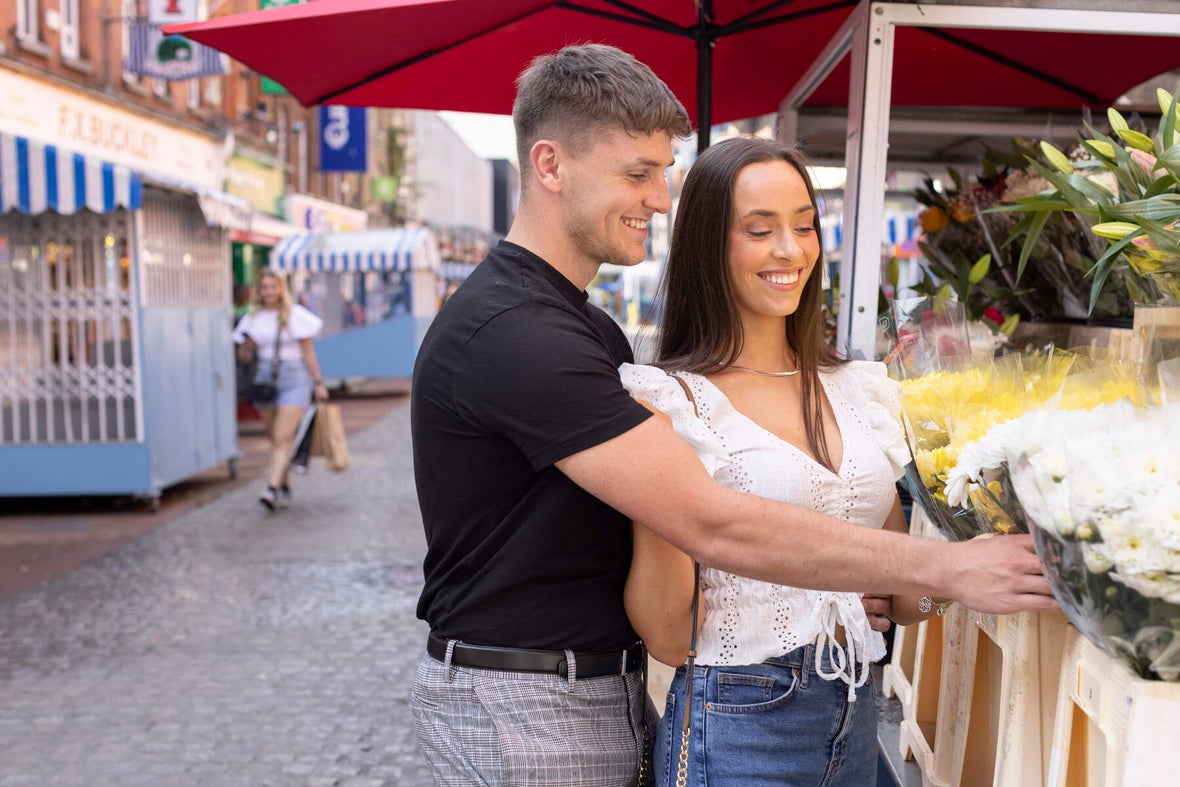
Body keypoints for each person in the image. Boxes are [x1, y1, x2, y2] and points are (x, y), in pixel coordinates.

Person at [410, 43, 1053, 787]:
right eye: (638, 173)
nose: (659, 197)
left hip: (598, 692)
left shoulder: (584, 328)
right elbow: (707, 519)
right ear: (549, 165)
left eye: (664, 171)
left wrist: (846, 586)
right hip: (529, 707)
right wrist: (944, 564)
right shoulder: (516, 333)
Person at [621, 137, 941, 786]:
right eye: (760, 229)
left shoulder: (857, 387)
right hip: (739, 717)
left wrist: (970, 538)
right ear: (710, 247)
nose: (791, 250)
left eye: (804, 225)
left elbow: (905, 597)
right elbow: (666, 632)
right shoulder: (670, 401)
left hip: (854, 705)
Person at [232, 269, 329, 510]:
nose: (268, 292)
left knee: (283, 436)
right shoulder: (253, 318)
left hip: (294, 376)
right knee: (274, 438)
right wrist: (247, 345)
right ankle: (284, 485)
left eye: (273, 286)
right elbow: (243, 355)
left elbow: (308, 352)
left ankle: (271, 487)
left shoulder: (294, 315)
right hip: (264, 377)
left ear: (281, 288)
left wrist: (318, 382)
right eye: (264, 287)